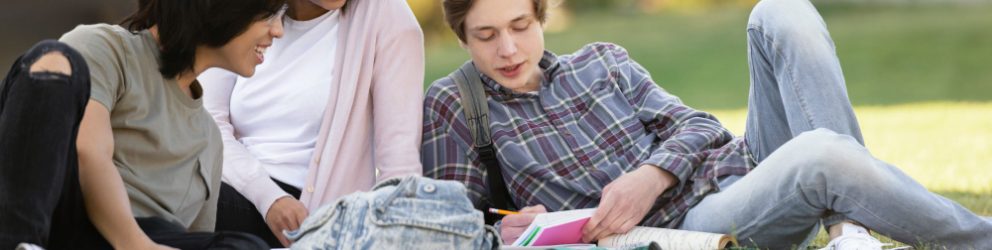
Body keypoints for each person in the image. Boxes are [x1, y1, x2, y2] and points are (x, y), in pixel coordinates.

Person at [420, 0, 992, 249]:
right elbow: (449, 228)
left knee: (778, 12)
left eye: (520, 24)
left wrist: (651, 174)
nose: (509, 48)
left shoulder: (603, 61)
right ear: (463, 37)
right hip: (692, 226)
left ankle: (847, 230)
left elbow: (700, 126)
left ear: (541, 15)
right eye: (486, 36)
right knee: (822, 153)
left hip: (736, 169)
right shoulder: (455, 105)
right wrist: (506, 234)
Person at [0, 0, 287, 249]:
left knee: (244, 246)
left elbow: (197, 239)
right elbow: (88, 154)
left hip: (154, 238)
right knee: (55, 57)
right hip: (64, 222)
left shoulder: (210, 140)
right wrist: (133, 242)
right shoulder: (105, 49)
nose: (278, 30)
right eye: (268, 14)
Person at [196, 0, 425, 247]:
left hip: (308, 218)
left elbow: (399, 169)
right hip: (238, 187)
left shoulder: (387, 17)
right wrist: (269, 198)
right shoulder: (245, 9)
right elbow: (207, 123)